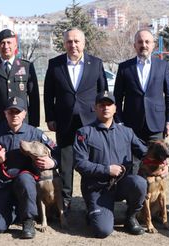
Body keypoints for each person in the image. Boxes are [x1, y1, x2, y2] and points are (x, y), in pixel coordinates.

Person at [74, 91, 156, 238]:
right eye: (102, 105)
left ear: (115, 108)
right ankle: (92, 212)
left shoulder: (126, 132)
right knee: (103, 230)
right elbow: (79, 163)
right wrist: (106, 170)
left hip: (122, 183)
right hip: (97, 188)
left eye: (109, 104)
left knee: (140, 183)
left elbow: (145, 153)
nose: (105, 108)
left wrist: (162, 163)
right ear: (95, 108)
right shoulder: (84, 132)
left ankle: (130, 217)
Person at [0, 96, 58, 239]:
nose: (14, 115)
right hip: (2, 185)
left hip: (26, 184)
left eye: (18, 112)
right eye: (11, 112)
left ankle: (28, 220)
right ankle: (17, 211)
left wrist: (53, 163)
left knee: (25, 179)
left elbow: (57, 151)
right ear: (5, 113)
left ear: (24, 113)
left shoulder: (35, 133)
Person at [44, 27, 108, 212]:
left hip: (90, 122)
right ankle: (65, 200)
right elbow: (48, 95)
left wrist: (103, 117)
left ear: (83, 43)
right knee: (66, 163)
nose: (73, 45)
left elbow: (102, 92)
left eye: (76, 41)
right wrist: (50, 117)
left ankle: (94, 199)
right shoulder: (54, 64)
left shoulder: (96, 63)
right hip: (64, 122)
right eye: (69, 41)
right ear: (64, 44)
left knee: (92, 161)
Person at [114, 29, 169, 174]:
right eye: (140, 42)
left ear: (153, 45)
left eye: (147, 42)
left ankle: (153, 196)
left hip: (157, 124)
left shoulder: (163, 66)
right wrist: (120, 122)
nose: (144, 45)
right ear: (134, 45)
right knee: (133, 164)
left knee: (157, 163)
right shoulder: (124, 68)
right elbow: (117, 97)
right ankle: (135, 195)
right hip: (132, 125)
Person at [0, 28, 40, 130]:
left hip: (23, 123)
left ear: (15, 45)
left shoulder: (26, 66)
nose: (6, 46)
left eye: (9, 42)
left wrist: (34, 124)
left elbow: (34, 98)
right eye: (2, 43)